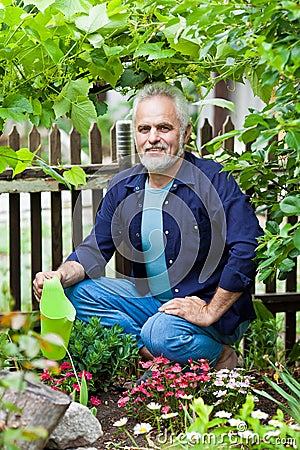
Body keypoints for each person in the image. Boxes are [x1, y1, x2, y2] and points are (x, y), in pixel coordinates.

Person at [33, 82, 263, 370]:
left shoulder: (215, 180)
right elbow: (95, 250)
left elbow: (249, 246)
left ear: (186, 133)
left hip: (210, 308)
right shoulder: (124, 187)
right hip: (152, 304)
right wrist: (59, 276)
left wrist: (209, 311)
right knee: (74, 294)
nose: (153, 138)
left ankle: (222, 356)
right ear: (136, 135)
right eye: (145, 129)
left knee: (162, 332)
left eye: (164, 128)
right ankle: (151, 355)